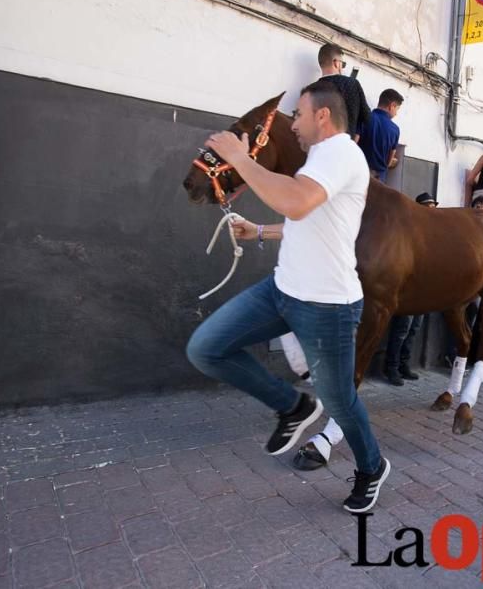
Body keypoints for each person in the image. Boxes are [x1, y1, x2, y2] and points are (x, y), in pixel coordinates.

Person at [186, 80, 389, 513]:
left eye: (298, 114)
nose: (293, 123)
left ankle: (372, 466)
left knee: (340, 400)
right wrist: (259, 231)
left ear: (322, 116)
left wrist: (240, 158)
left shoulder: (340, 152)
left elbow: (296, 204)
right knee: (207, 348)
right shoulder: (319, 157)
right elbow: (307, 220)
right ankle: (293, 406)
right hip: (283, 291)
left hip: (328, 306)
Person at [382, 192, 438, 385]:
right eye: (426, 207)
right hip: (407, 290)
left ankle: (403, 365)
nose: (431, 211)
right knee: (401, 330)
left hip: (424, 291)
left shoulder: (434, 233)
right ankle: (391, 367)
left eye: (433, 207)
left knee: (414, 329)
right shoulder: (409, 229)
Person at [317, 43, 371, 141]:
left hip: (318, 148)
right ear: (336, 63)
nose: (342, 67)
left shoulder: (311, 90)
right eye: (343, 64)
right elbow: (367, 117)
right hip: (343, 147)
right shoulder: (352, 84)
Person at [358, 89, 403, 182]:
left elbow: (354, 142)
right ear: (392, 106)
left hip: (358, 174)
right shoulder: (395, 130)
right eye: (397, 109)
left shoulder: (365, 117)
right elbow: (389, 160)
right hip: (378, 181)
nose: (396, 113)